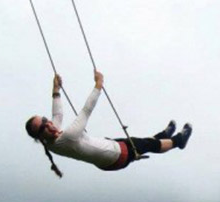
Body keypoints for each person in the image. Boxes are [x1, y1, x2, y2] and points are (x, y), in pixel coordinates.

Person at [25, 71, 192, 177]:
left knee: (139, 142)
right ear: (39, 136)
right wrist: (98, 85)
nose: (49, 125)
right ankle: (178, 141)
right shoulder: (67, 137)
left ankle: (164, 135)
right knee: (148, 145)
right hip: (116, 155)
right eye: (43, 127)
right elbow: (86, 111)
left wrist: (55, 90)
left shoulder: (50, 140)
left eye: (45, 121)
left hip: (108, 152)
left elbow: (57, 114)